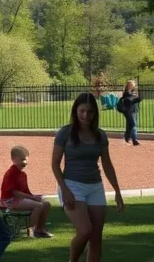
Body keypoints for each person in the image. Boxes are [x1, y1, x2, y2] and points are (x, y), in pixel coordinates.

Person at [52, 92, 125, 262]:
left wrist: (117, 191)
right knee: (85, 230)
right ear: (76, 111)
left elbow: (107, 164)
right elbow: (55, 164)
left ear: (95, 113)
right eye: (82, 111)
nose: (86, 115)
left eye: (90, 112)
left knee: (96, 237)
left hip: (95, 187)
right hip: (71, 185)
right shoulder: (65, 133)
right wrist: (65, 190)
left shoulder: (100, 135)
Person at [0, 145, 53, 238]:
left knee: (46, 204)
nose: (25, 162)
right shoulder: (11, 173)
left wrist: (36, 196)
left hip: (18, 199)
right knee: (38, 205)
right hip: (9, 201)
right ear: (14, 159)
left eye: (26, 159)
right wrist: (32, 198)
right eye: (22, 159)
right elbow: (15, 193)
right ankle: (31, 229)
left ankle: (40, 229)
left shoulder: (22, 174)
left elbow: (26, 192)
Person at [118, 80, 142, 146]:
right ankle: (134, 140)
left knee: (130, 125)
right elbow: (129, 100)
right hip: (129, 111)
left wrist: (136, 97)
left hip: (134, 110)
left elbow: (137, 99)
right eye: (131, 84)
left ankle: (128, 139)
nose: (133, 85)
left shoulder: (134, 92)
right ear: (128, 85)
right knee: (133, 124)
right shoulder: (126, 92)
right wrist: (135, 97)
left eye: (133, 84)